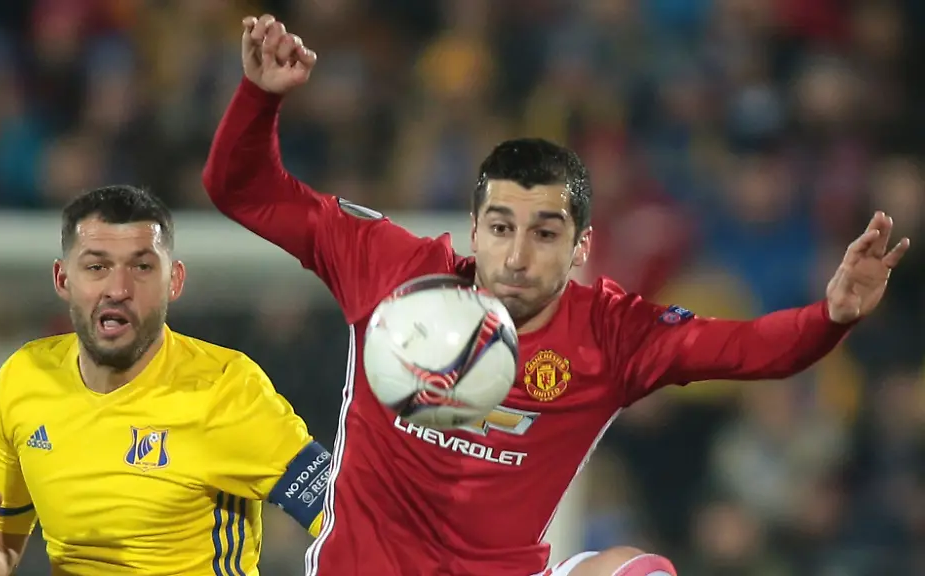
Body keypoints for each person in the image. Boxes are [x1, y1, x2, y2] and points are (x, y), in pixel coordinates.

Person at [203, 15, 912, 576]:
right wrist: (260, 99)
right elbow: (242, 190)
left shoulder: (610, 334)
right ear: (474, 228)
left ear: (580, 246)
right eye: (501, 228)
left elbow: (748, 348)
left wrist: (831, 316)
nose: (517, 256)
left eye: (544, 234)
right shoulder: (390, 268)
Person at [0, 185, 332, 575]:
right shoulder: (24, 378)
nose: (118, 288)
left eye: (142, 267)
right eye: (97, 267)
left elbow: (343, 516)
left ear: (175, 281)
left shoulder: (225, 388)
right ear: (63, 279)